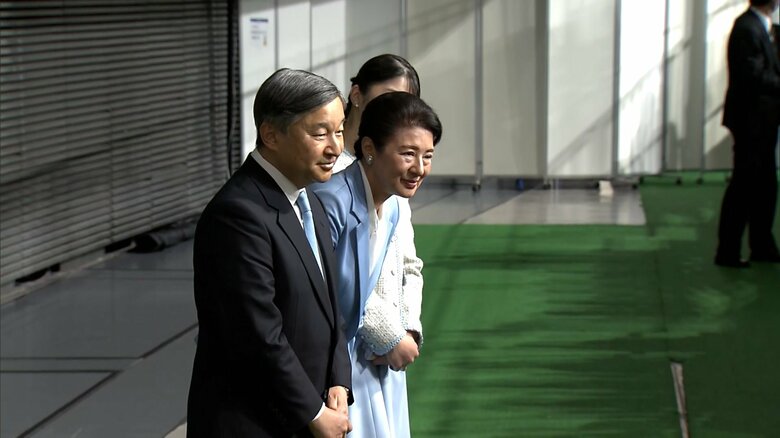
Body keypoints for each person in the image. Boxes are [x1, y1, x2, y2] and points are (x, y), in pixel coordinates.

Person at [187, 68, 353, 438]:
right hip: (256, 422)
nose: (335, 147)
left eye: (340, 131)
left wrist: (338, 380)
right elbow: (257, 335)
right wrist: (313, 412)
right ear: (271, 135)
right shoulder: (237, 215)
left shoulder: (309, 200)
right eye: (320, 133)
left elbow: (331, 308)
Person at [312, 92, 442, 438]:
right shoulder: (331, 203)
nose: (419, 168)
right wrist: (390, 338)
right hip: (337, 366)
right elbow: (326, 294)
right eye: (407, 154)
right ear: (369, 147)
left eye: (428, 156)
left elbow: (408, 270)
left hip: (379, 359)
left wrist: (407, 331)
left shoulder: (395, 203)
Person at [715, 0, 780, 267]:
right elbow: (753, 76)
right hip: (750, 120)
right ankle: (728, 250)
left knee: (765, 184)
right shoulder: (747, 28)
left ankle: (761, 244)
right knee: (744, 185)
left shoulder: (759, 27)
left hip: (763, 119)